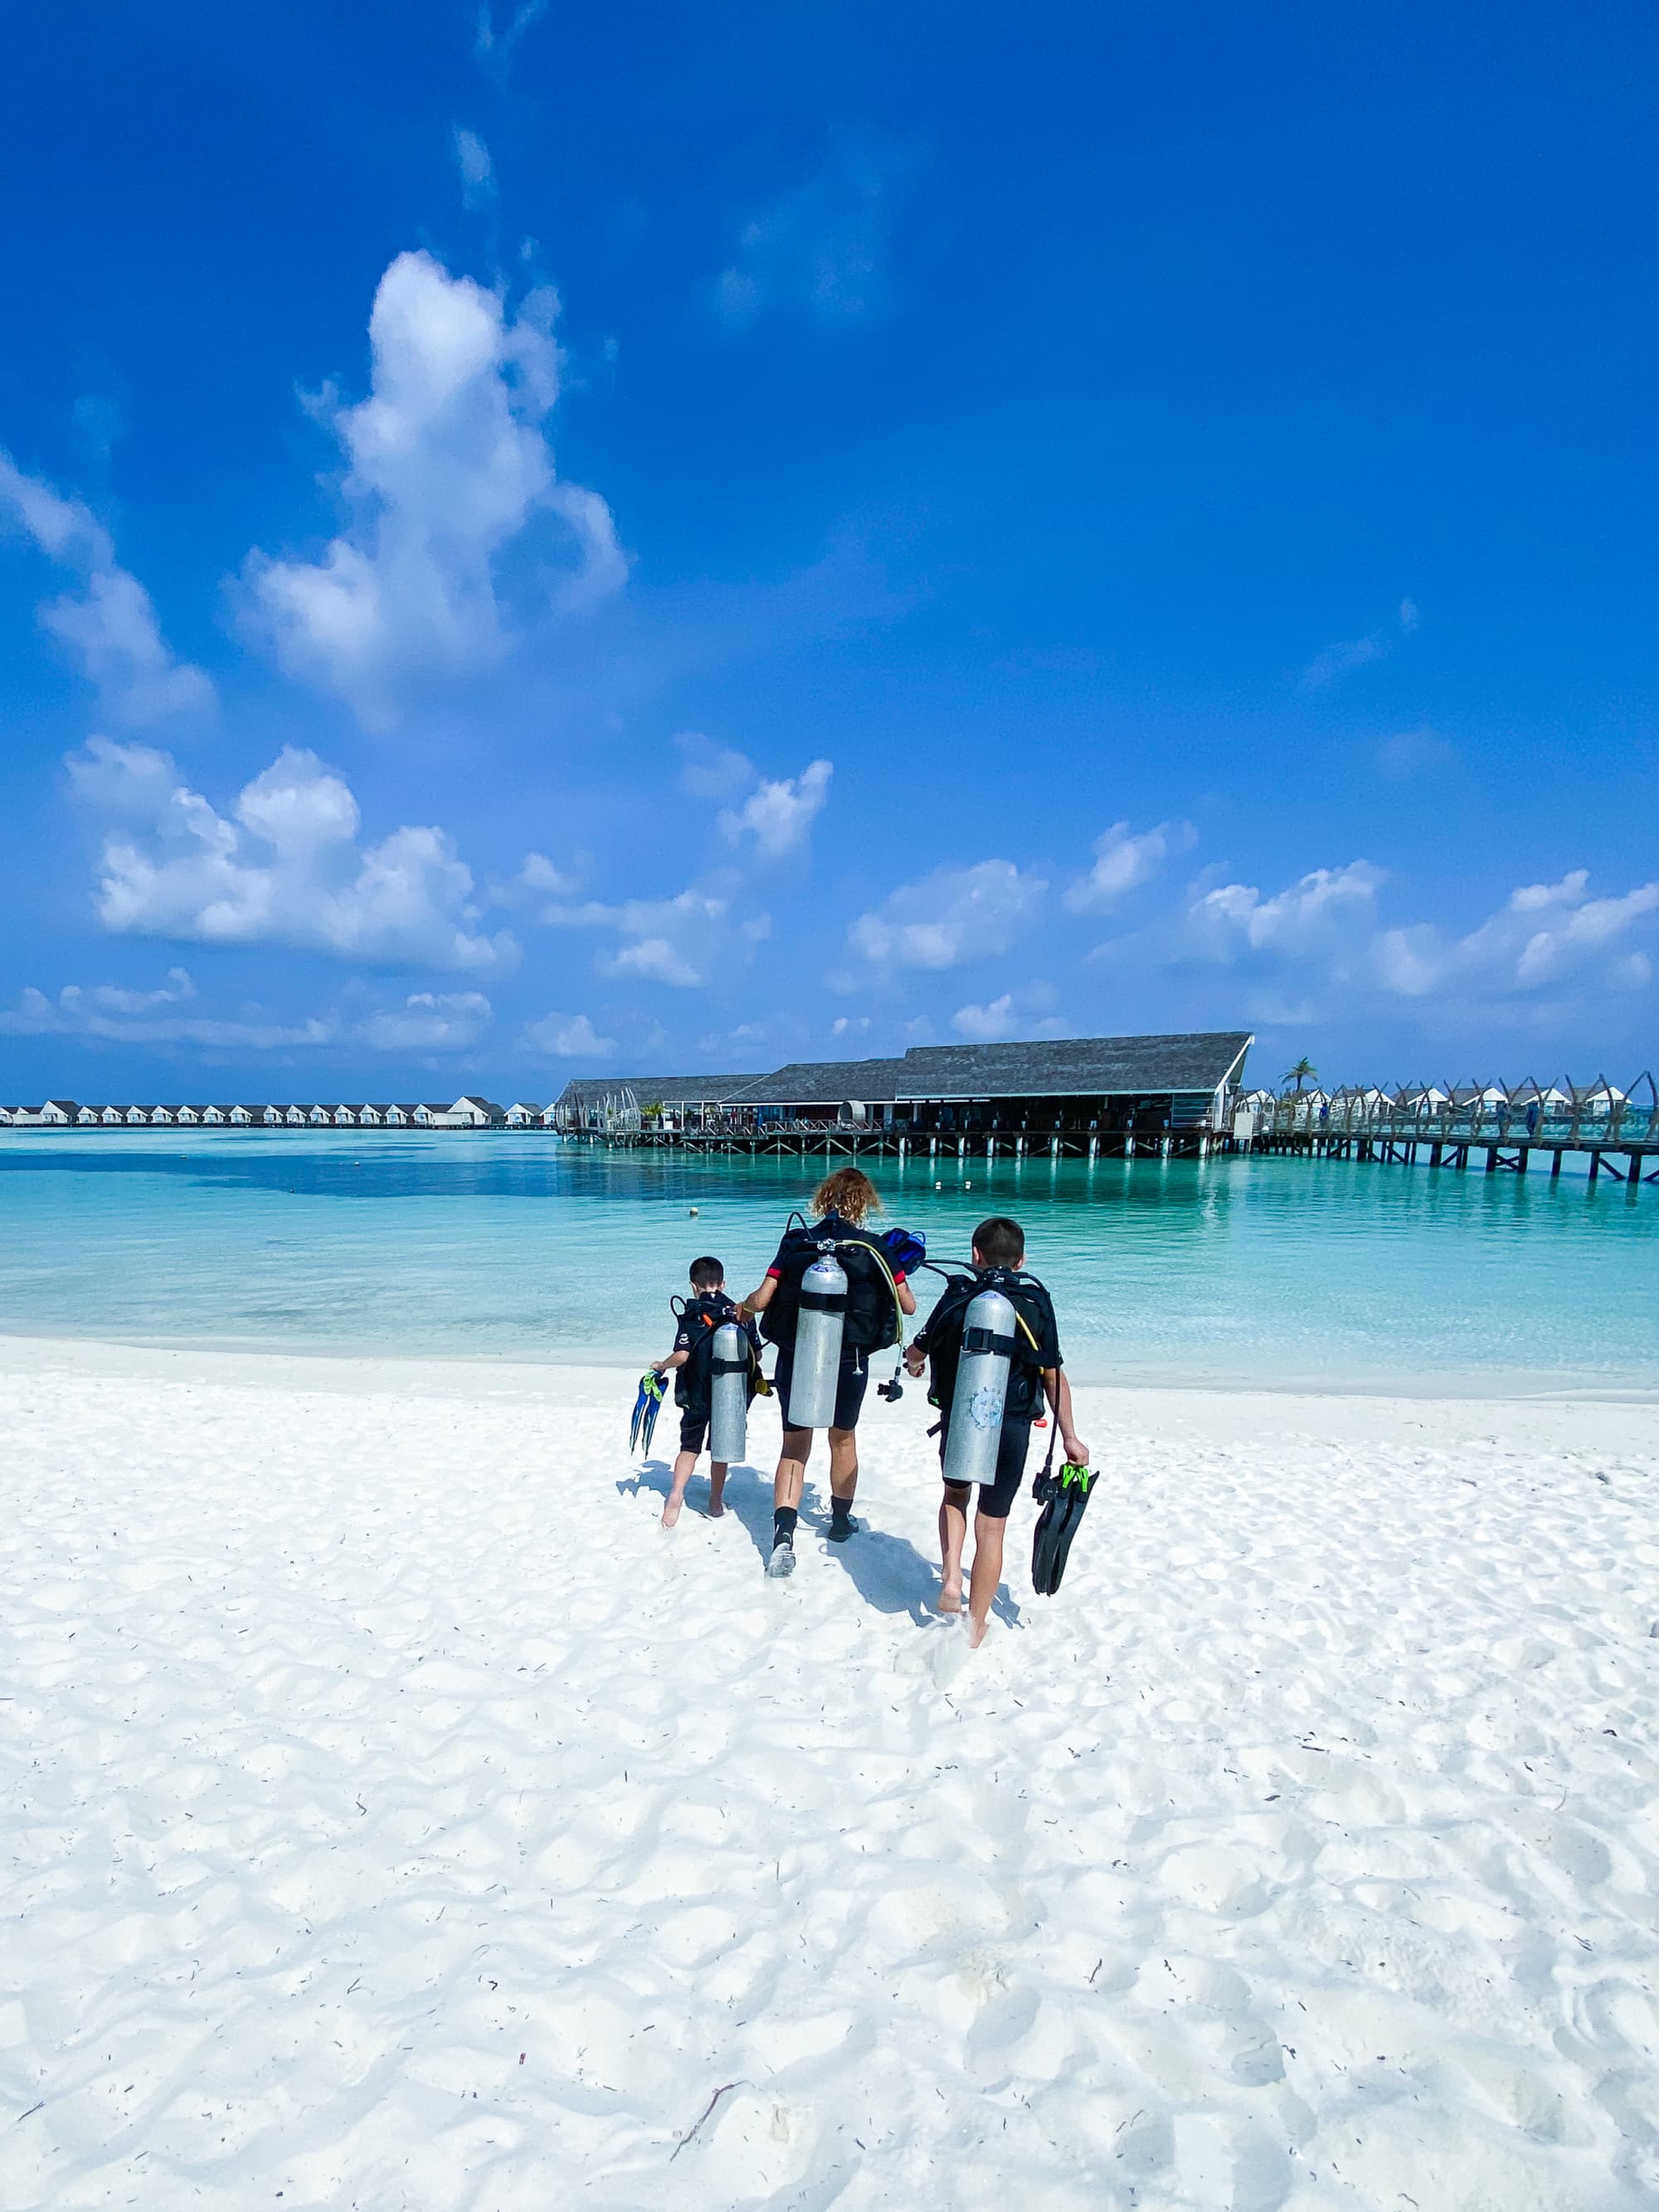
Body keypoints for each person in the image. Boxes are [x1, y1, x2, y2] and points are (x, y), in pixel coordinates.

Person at [905, 1214, 1087, 1647]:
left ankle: (951, 1579)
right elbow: (1052, 1374)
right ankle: (977, 1622)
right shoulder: (1035, 1301)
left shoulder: (959, 1292)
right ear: (1022, 1261)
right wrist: (1070, 1437)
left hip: (962, 1418)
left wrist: (914, 1364)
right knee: (993, 1525)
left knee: (955, 1496)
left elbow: (921, 1346)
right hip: (1012, 1426)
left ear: (975, 1255)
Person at [738, 1167, 917, 1578]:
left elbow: (764, 1299)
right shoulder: (874, 1247)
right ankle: (839, 1523)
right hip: (849, 1359)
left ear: (824, 1199)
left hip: (797, 1355)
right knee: (842, 1440)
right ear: (866, 1202)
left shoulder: (797, 1240)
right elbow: (907, 1307)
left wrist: (743, 1308)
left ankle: (783, 1536)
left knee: (795, 1445)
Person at [649, 1255, 758, 1529]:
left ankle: (675, 1496)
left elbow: (683, 1355)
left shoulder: (690, 1314)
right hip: (730, 1395)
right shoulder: (742, 1313)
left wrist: (662, 1366)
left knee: (689, 1447)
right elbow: (756, 1355)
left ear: (692, 1286)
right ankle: (714, 1501)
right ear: (723, 1284)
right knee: (720, 1449)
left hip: (695, 1395)